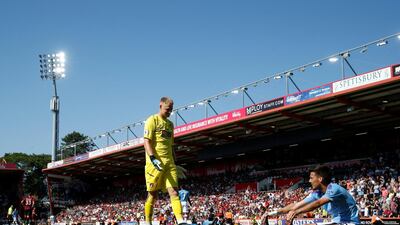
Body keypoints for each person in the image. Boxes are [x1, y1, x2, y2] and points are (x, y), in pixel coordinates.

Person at [261, 165, 359, 225]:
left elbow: (317, 204)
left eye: (311, 178)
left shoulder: (333, 188)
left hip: (350, 223)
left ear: (320, 179)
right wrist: (270, 213)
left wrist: (296, 212)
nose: (309, 181)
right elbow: (296, 205)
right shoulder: (317, 193)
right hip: (337, 222)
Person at [143, 97, 185, 225]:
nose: (169, 112)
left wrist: (175, 162)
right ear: (160, 105)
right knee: (153, 195)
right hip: (154, 164)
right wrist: (153, 158)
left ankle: (181, 220)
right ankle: (148, 221)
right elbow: (146, 141)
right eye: (167, 109)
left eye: (171, 110)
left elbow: (171, 145)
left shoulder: (170, 125)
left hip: (169, 164)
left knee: (174, 192)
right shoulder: (152, 120)